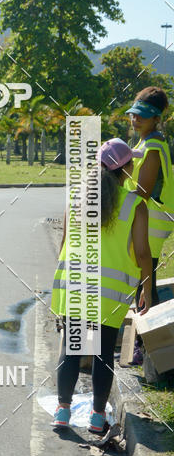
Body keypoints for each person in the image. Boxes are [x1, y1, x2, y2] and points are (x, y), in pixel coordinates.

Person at [51, 138, 152, 435]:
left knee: (71, 348)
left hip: (74, 287)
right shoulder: (135, 204)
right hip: (108, 295)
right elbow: (143, 253)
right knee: (101, 352)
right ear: (127, 168)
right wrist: (146, 288)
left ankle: (62, 411)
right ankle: (97, 417)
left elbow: (65, 242)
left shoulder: (76, 197)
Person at [125, 87, 174, 308]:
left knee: (145, 281)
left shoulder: (152, 147)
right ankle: (147, 339)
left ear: (156, 118)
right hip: (147, 216)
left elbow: (143, 192)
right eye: (134, 114)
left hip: (152, 219)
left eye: (142, 115)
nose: (135, 119)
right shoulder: (146, 141)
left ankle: (148, 340)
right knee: (143, 279)